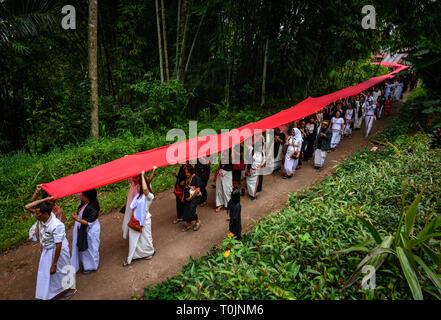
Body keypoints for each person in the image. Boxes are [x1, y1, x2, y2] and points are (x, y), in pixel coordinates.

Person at [25, 199, 76, 300]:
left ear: (45, 214)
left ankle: (71, 289)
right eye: (36, 212)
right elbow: (27, 207)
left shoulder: (57, 225)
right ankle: (51, 291)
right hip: (48, 250)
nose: (36, 215)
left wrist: (54, 264)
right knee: (48, 273)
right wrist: (45, 200)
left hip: (59, 251)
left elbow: (58, 245)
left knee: (64, 269)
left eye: (38, 213)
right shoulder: (41, 217)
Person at [123, 168, 157, 266]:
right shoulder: (138, 196)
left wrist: (142, 175)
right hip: (135, 220)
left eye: (138, 186)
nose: (136, 187)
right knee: (134, 240)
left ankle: (149, 252)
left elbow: (146, 188)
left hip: (144, 221)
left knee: (146, 239)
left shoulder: (149, 196)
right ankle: (131, 257)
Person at [71, 189, 100, 274]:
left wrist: (77, 219)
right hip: (83, 228)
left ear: (87, 196)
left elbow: (88, 222)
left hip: (90, 230)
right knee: (84, 248)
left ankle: (92, 266)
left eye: (82, 194)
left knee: (91, 248)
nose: (80, 195)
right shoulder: (86, 202)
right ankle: (86, 264)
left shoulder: (93, 207)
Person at [182, 165, 202, 231]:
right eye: (185, 172)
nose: (186, 174)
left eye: (187, 172)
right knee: (186, 210)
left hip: (194, 198)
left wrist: (191, 198)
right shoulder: (187, 178)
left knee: (191, 210)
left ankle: (197, 221)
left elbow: (197, 190)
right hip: (186, 198)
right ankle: (189, 224)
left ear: (191, 172)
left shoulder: (196, 178)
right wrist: (183, 197)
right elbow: (184, 188)